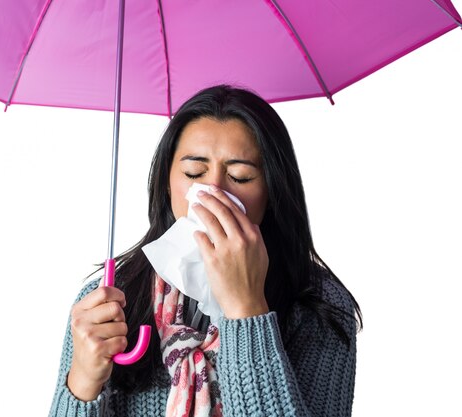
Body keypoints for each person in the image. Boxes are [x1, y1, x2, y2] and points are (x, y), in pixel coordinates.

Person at [48, 85, 362, 417]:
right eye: (194, 173)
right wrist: (82, 382)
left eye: (240, 177)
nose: (212, 192)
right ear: (166, 181)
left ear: (272, 189)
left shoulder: (321, 305)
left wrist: (247, 309)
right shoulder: (109, 302)